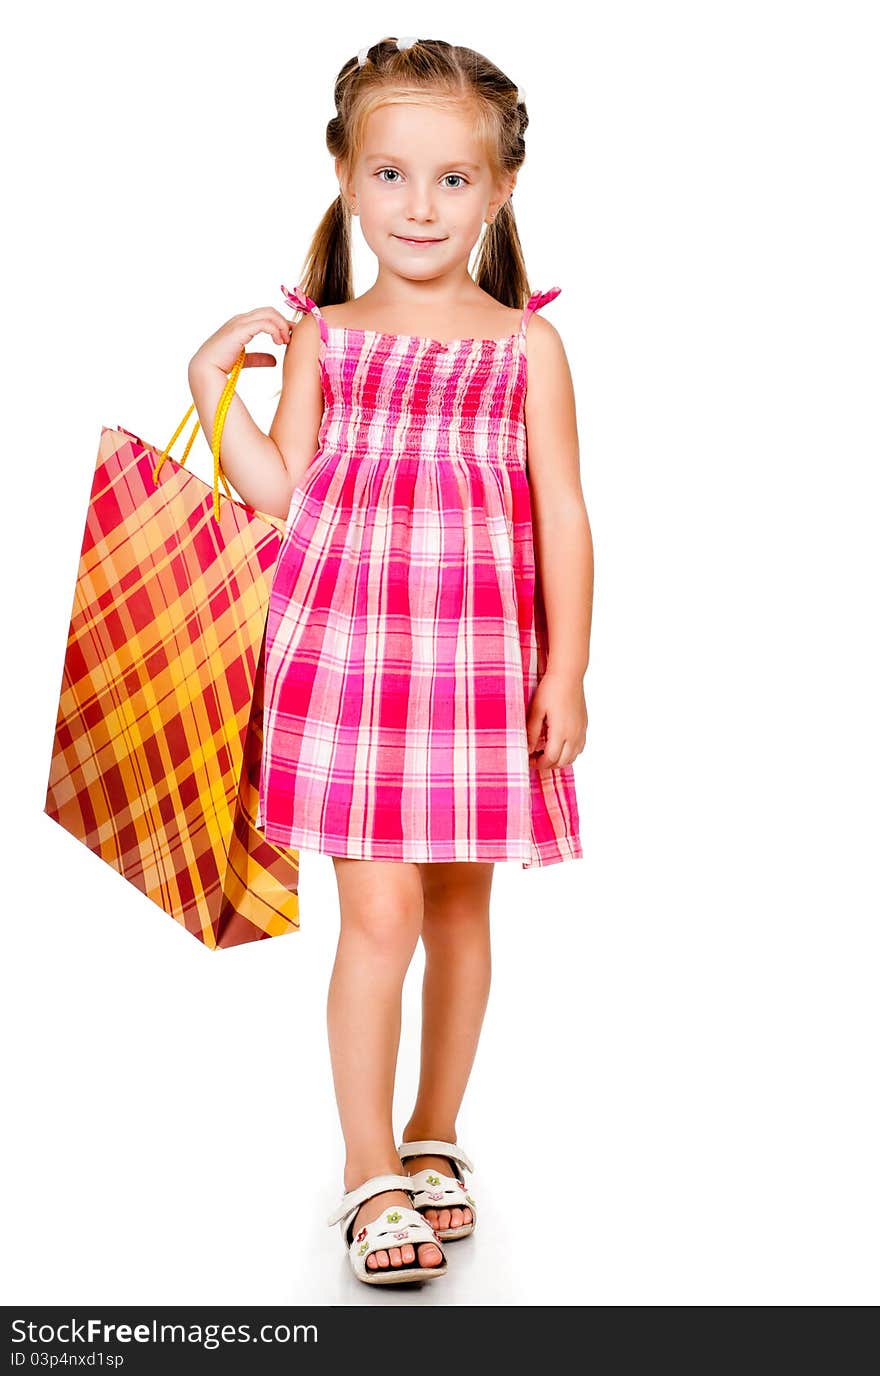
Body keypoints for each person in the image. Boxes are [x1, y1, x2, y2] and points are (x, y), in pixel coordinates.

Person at [187, 35, 594, 1288]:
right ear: (345, 176)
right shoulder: (327, 337)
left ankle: (434, 1137)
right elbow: (280, 496)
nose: (420, 206)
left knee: (463, 905)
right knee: (378, 915)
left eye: (453, 180)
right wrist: (215, 391)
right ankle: (368, 1169)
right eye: (391, 173)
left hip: (477, 665)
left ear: (501, 188)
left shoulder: (524, 344)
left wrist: (565, 669)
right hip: (350, 669)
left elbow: (564, 510)